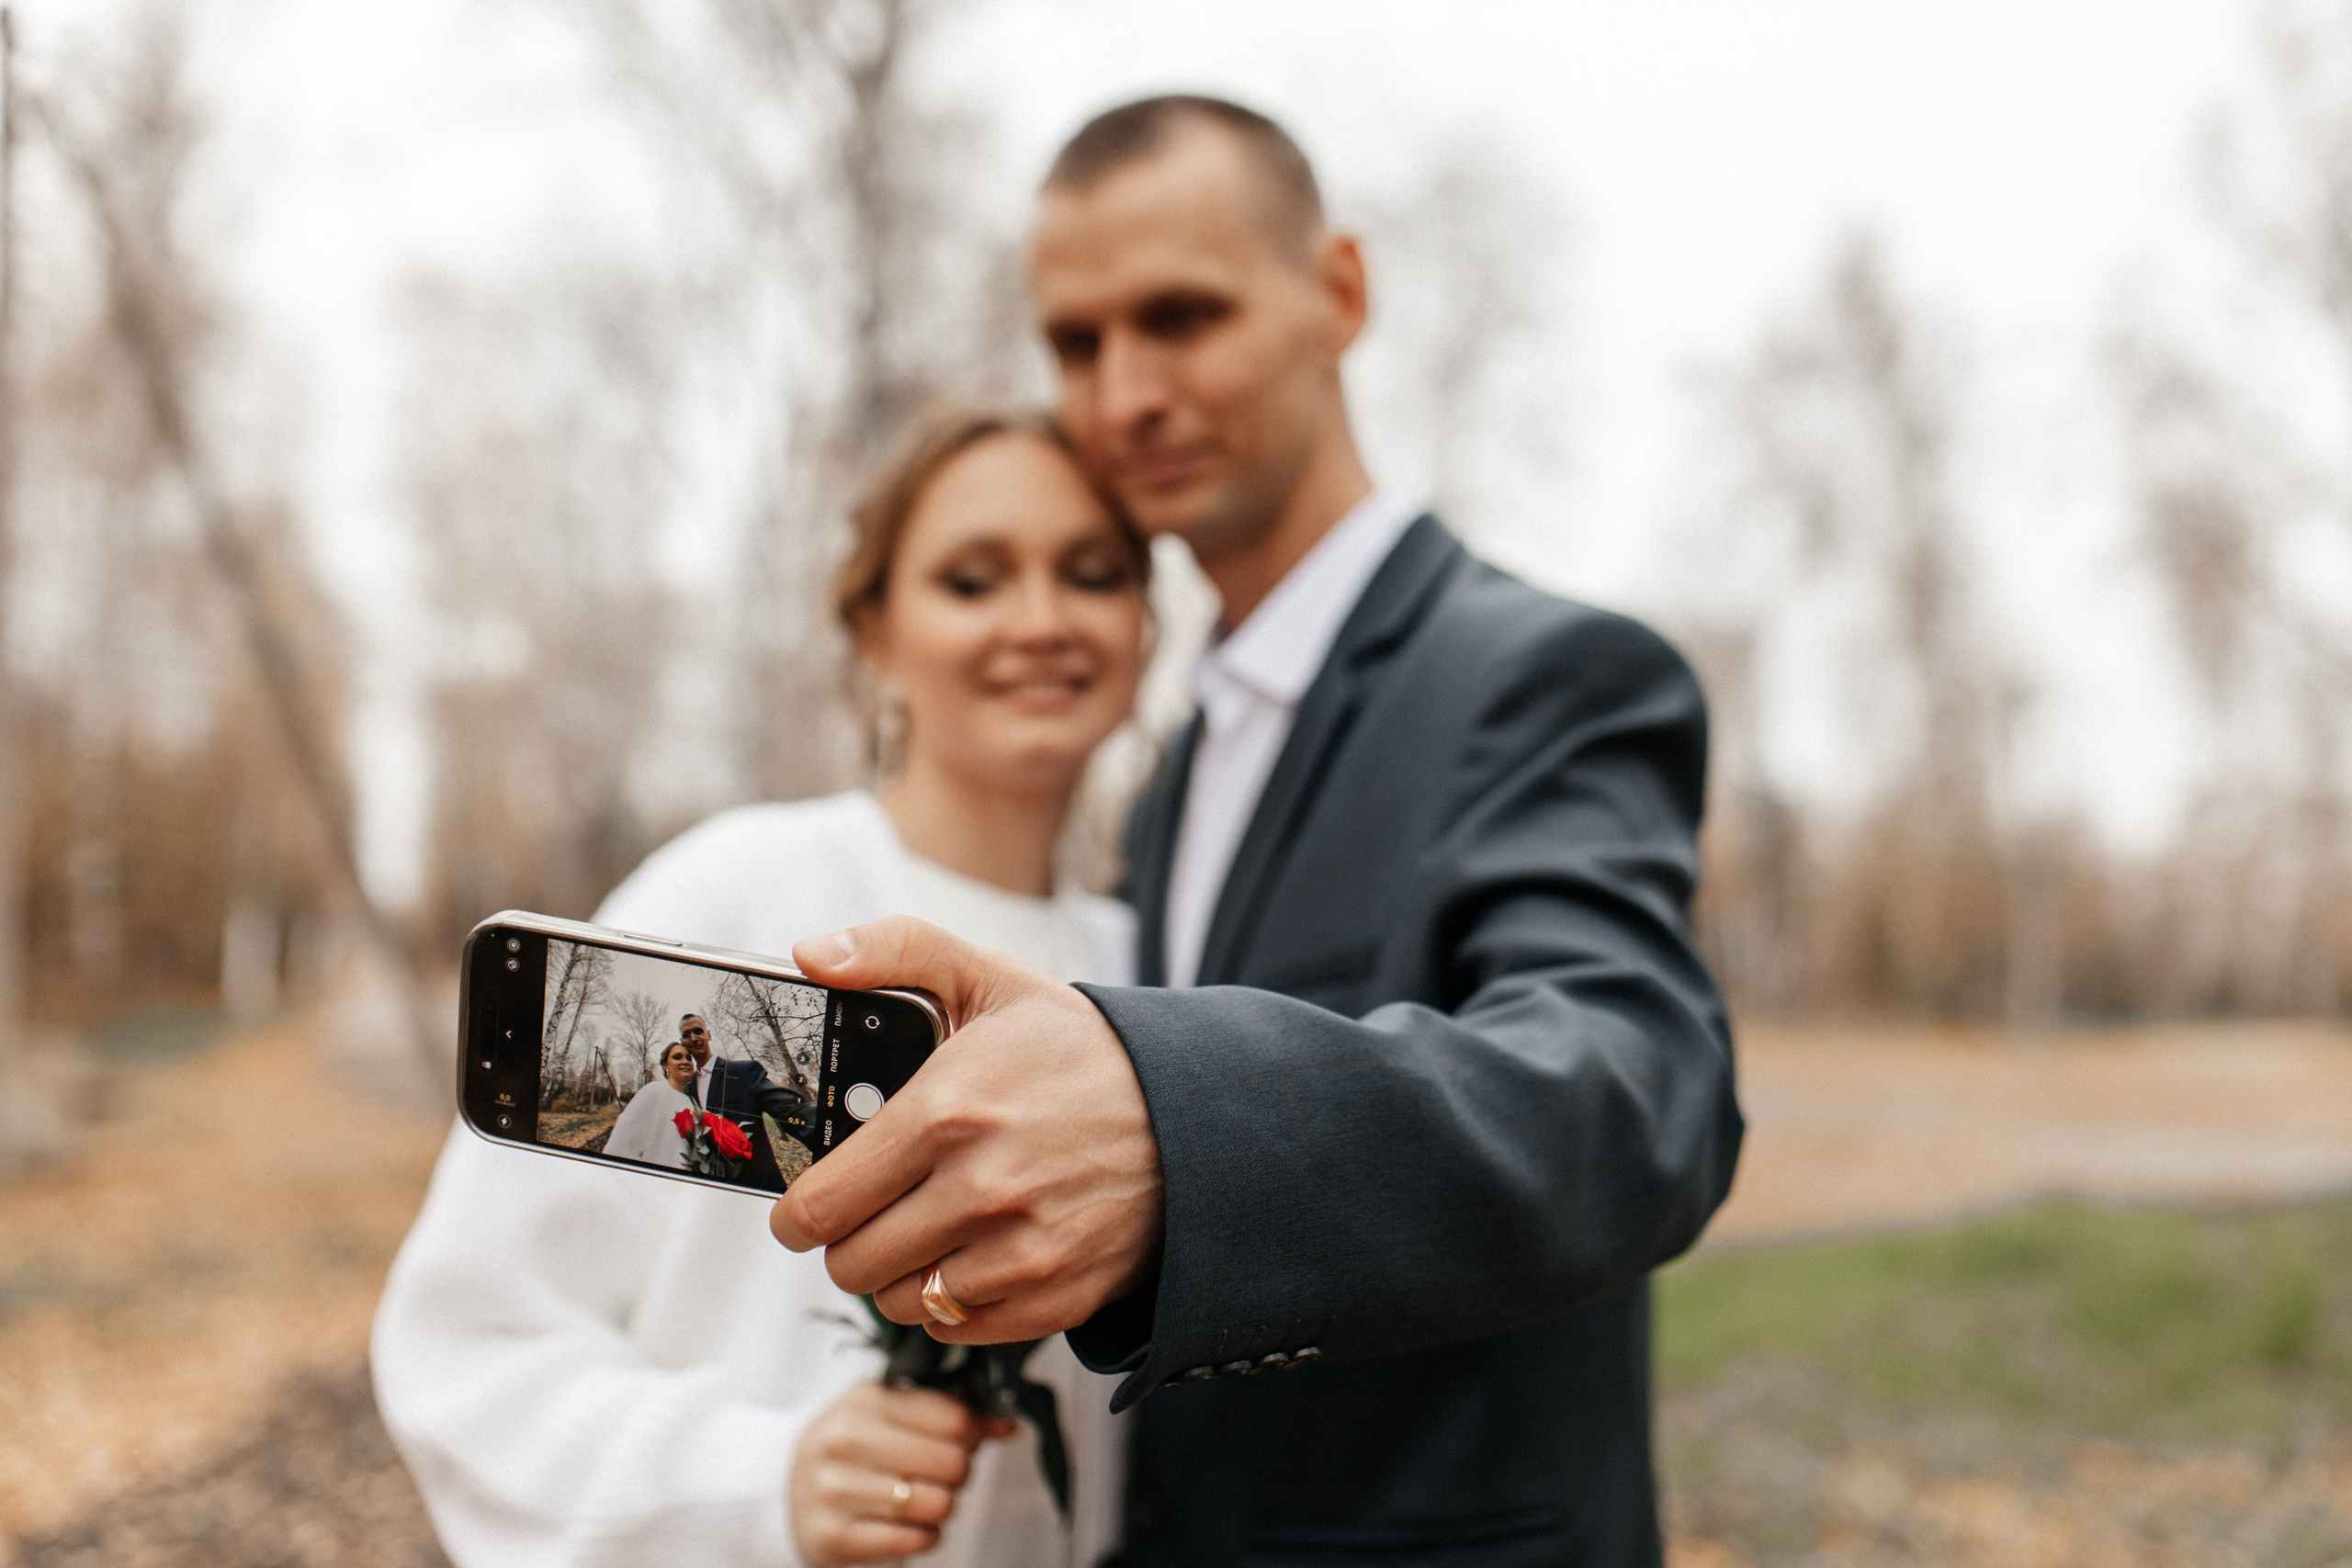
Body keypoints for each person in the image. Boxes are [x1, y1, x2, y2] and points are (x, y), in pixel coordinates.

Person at [769, 98, 1746, 1565]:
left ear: (1337, 293)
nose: (1125, 394)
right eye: (1077, 343)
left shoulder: (1538, 671)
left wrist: (1176, 1132)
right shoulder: (1172, 773)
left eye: (1182, 315)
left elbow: (1635, 1083)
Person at [373, 406, 1153, 1567]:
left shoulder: (1155, 964)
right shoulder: (741, 894)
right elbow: (465, 1344)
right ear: (874, 631)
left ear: (1144, 625)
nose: (1038, 622)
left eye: (1089, 574)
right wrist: (761, 1479)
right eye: (973, 579)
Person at [678, 1012, 810, 1186]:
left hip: (758, 1185)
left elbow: (786, 1107)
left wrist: (822, 1123)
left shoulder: (743, 1072)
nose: (693, 1038)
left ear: (708, 1034)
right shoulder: (686, 1089)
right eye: (686, 1035)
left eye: (698, 1031)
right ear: (682, 1042)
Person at [604, 1039, 700, 1168]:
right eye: (677, 1057)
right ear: (665, 1066)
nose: (685, 1061)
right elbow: (618, 1147)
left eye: (689, 1058)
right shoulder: (654, 1091)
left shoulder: (691, 1103)